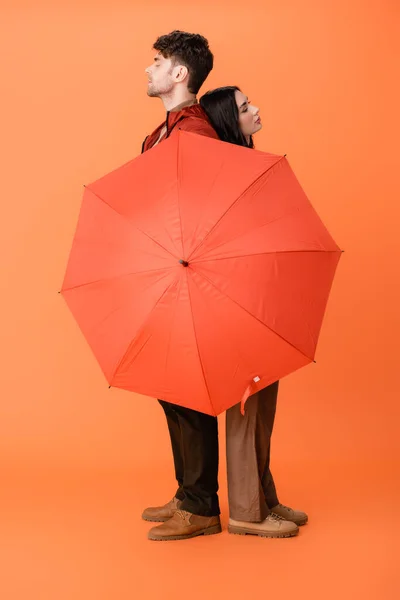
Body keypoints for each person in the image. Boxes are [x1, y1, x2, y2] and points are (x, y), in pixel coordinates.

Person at [199, 86, 308, 538]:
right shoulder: (223, 173)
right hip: (235, 304)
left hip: (262, 301)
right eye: (245, 108)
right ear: (229, 121)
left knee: (264, 405)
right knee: (245, 405)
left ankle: (264, 495)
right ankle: (247, 510)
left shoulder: (250, 165)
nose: (256, 109)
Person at [140, 31, 222, 542]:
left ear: (179, 74)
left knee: (188, 389)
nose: (148, 69)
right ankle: (186, 491)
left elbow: (201, 209)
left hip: (189, 275)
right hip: (163, 272)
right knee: (169, 388)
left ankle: (202, 505)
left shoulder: (195, 134)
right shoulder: (163, 132)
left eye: (157, 62)